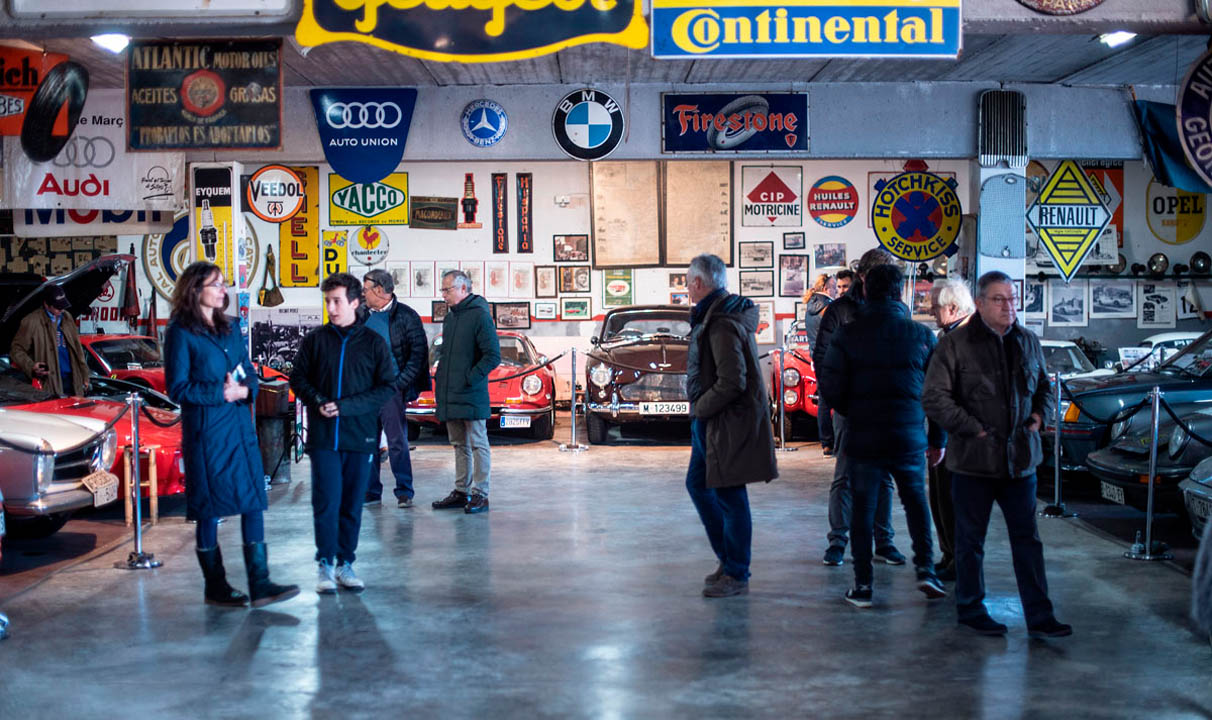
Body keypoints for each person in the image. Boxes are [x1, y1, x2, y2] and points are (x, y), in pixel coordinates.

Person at [923, 270, 1071, 639]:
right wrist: (971, 427)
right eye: (999, 299)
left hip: (1021, 463)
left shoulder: (1028, 341)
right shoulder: (956, 345)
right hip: (973, 463)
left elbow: (1045, 389)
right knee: (969, 542)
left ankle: (1040, 615)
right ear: (981, 303)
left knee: (1028, 541)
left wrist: (1040, 416)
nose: (1009, 306)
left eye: (1012, 299)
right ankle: (972, 609)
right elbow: (934, 398)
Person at [165, 262, 299, 608]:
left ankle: (261, 583)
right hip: (208, 435)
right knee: (209, 510)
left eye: (224, 284)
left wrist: (246, 391)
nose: (224, 289)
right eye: (216, 284)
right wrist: (220, 394)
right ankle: (215, 586)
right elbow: (177, 388)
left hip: (240, 431)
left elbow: (249, 372)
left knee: (253, 501)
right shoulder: (181, 332)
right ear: (195, 290)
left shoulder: (230, 329)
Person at [819, 264, 946, 608]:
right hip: (908, 436)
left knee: (862, 508)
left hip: (863, 435)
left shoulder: (848, 334)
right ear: (900, 294)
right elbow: (937, 394)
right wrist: (938, 439)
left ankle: (863, 586)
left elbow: (830, 386)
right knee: (916, 504)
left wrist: (852, 411)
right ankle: (925, 571)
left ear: (865, 291)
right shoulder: (922, 336)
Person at [290, 273, 397, 593]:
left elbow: (387, 387)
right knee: (325, 501)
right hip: (323, 438)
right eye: (327, 301)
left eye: (337, 301)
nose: (331, 308)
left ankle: (345, 564)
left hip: (359, 437)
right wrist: (319, 401)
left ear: (354, 301)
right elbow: (298, 379)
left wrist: (346, 407)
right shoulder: (315, 340)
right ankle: (324, 565)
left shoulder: (373, 343)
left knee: (351, 503)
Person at [685, 253, 777, 598]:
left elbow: (732, 381)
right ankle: (728, 560)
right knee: (699, 485)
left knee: (729, 495)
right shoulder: (715, 314)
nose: (687, 287)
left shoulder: (721, 322)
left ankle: (736, 572)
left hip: (721, 422)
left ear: (698, 282)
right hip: (712, 422)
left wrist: (700, 409)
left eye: (688, 281)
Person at [812, 248, 903, 568]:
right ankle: (838, 541)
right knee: (845, 476)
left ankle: (885, 542)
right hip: (851, 408)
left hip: (886, 410)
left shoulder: (897, 310)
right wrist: (841, 402)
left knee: (884, 479)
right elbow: (822, 360)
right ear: (865, 276)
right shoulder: (838, 311)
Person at [431, 270, 501, 514]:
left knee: (478, 443)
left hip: (470, 392)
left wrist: (470, 378)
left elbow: (493, 356)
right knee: (458, 444)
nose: (443, 295)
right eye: (442, 290)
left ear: (463, 289)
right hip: (450, 393)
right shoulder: (450, 318)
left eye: (446, 290)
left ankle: (481, 493)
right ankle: (462, 491)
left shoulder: (480, 316)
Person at [362, 269, 430, 509]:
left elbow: (418, 355)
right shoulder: (359, 314)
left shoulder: (407, 317)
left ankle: (404, 491)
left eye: (366, 289)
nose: (363, 293)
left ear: (379, 290)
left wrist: (399, 384)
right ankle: (370, 491)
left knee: (397, 441)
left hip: (391, 390)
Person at [926, 278, 976, 582]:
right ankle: (949, 555)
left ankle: (959, 560)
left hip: (956, 437)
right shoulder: (950, 335)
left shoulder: (962, 339)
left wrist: (940, 438)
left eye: (936, 307)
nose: (931, 312)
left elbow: (947, 395)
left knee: (952, 500)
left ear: (953, 307)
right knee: (940, 498)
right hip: (946, 434)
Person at [11, 285, 89, 397]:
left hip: (73, 382)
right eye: (57, 307)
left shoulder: (67, 317)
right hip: (49, 384)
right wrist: (31, 366)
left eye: (63, 306)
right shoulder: (31, 322)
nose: (61, 310)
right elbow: (16, 350)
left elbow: (78, 349)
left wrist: (85, 375)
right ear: (46, 305)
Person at [802, 272, 836, 454]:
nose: (837, 290)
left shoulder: (810, 308)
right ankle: (837, 440)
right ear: (826, 288)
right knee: (839, 399)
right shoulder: (829, 308)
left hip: (818, 358)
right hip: (833, 358)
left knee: (824, 400)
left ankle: (826, 443)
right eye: (834, 287)